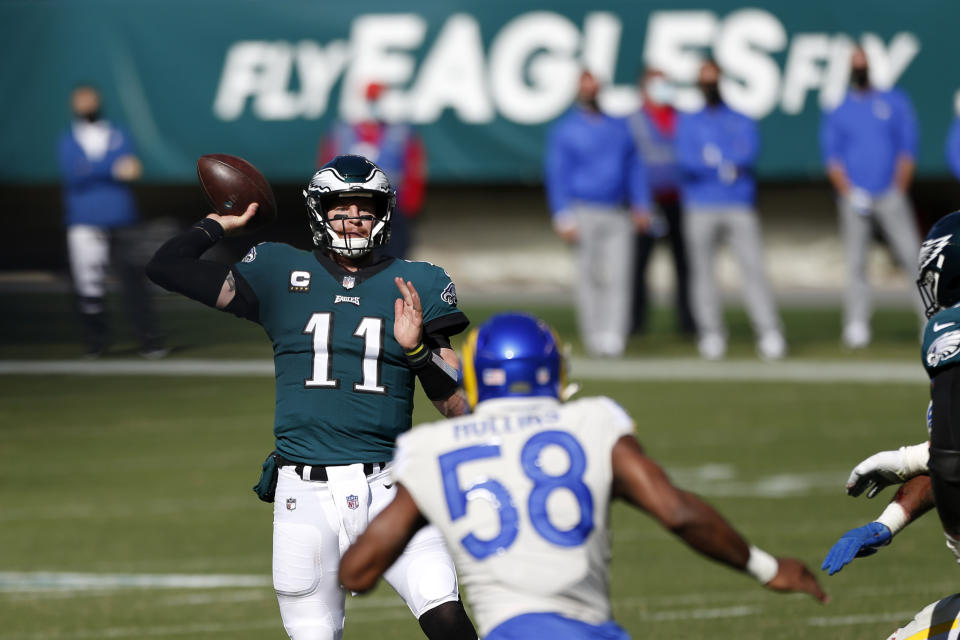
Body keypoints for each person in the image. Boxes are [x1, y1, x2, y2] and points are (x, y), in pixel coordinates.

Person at [145, 155, 476, 640]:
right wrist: (219, 221)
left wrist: (420, 352)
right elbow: (165, 267)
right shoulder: (279, 268)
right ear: (320, 212)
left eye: (365, 208)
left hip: (389, 487)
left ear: (383, 213)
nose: (354, 218)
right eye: (342, 207)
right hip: (304, 492)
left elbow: (459, 408)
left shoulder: (418, 282)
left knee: (448, 619)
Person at [340, 312, 828, 639]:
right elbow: (677, 511)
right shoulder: (591, 421)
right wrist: (767, 567)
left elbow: (358, 571)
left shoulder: (432, 448)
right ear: (552, 370)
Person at [821, 210, 960, 638]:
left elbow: (951, 459)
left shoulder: (950, 334)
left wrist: (908, 459)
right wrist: (889, 521)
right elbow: (948, 456)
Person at [676, 60, 785, 361]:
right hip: (700, 205)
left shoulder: (739, 118)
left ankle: (769, 332)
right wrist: (722, 164)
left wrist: (718, 161)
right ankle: (711, 333)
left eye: (713, 78)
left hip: (739, 203)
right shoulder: (690, 121)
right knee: (703, 274)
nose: (709, 84)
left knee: (753, 270)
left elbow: (747, 152)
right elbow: (688, 160)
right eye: (704, 79)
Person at [820, 46, 923, 349]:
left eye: (863, 63)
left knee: (913, 258)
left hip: (890, 194)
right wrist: (849, 192)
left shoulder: (893, 101)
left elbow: (907, 149)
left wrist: (898, 186)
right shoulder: (839, 109)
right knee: (855, 263)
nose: (860, 68)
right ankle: (856, 324)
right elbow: (833, 158)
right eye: (855, 64)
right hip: (855, 198)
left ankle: (930, 320)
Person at [544, 70, 652, 358]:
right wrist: (562, 213)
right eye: (584, 85)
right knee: (588, 275)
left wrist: (642, 204)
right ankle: (594, 333)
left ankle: (614, 334)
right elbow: (558, 173)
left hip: (618, 210)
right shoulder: (566, 129)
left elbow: (635, 168)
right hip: (583, 209)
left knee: (620, 274)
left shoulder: (619, 127)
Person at [57, 84, 165, 358]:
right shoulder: (68, 139)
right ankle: (96, 343)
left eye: (90, 99)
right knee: (88, 285)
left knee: (134, 282)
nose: (86, 104)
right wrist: (111, 168)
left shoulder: (117, 133)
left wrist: (94, 169)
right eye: (81, 100)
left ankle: (150, 340)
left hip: (121, 218)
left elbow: (132, 168)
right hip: (84, 222)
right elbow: (75, 174)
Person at [318, 82, 426, 260]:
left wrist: (410, 207)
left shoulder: (402, 133)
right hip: (350, 208)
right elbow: (325, 169)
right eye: (370, 99)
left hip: (393, 209)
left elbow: (414, 171)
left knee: (394, 258)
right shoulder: (340, 132)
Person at [628, 67, 695, 337]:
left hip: (679, 200)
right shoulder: (633, 121)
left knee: (685, 264)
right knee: (638, 265)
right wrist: (638, 202)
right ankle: (635, 323)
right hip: (647, 203)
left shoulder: (682, 118)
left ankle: (688, 322)